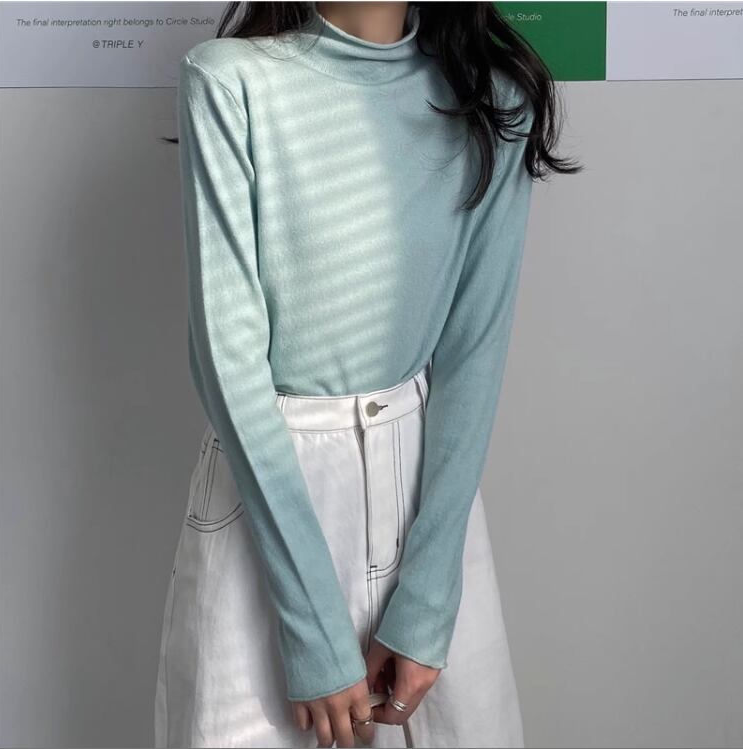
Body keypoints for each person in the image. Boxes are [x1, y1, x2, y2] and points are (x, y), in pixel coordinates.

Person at [154, 2, 579, 747]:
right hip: (272, 486)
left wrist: (429, 596)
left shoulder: (492, 97)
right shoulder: (229, 81)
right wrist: (314, 625)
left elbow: (473, 351)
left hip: (426, 494)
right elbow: (226, 358)